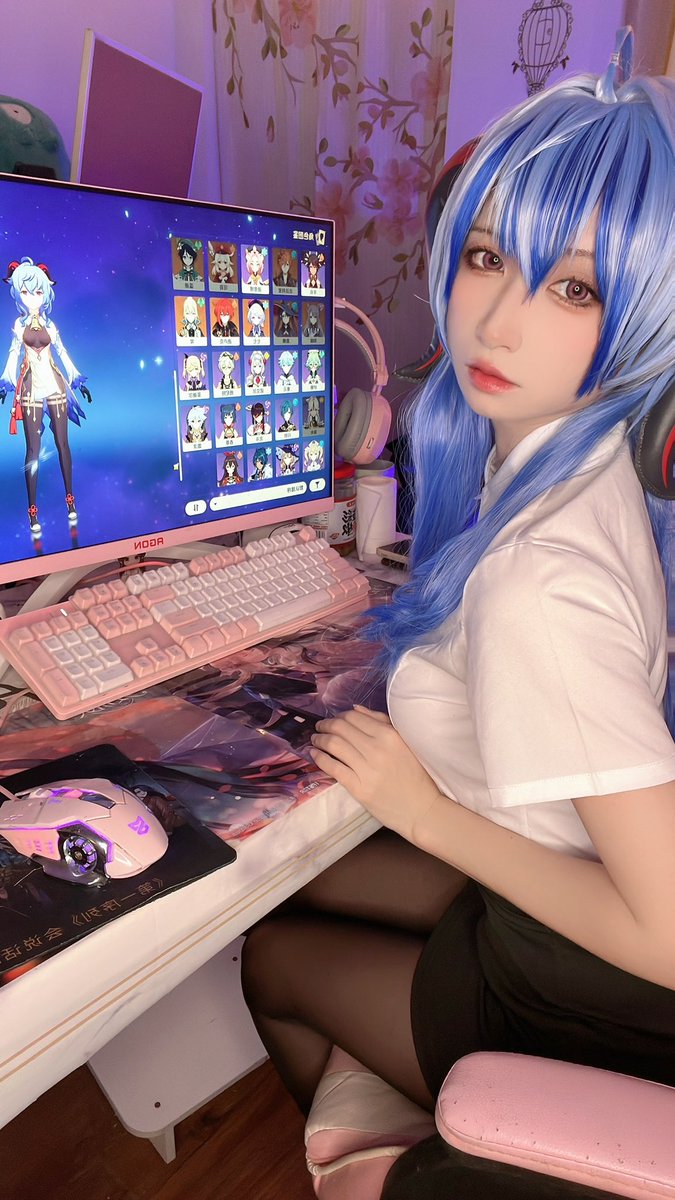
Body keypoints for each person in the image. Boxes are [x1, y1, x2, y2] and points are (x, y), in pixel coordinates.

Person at [241, 28, 675, 1154]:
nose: (496, 320)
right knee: (298, 892)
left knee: (274, 958)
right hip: (551, 896)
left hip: (583, 990)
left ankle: (438, 1158)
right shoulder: (571, 463)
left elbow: (668, 937)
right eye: (485, 257)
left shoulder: (543, 580)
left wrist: (425, 811)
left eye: (573, 286)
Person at [0, 257, 92, 538]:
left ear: (46, 293)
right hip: (31, 389)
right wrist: (5, 382)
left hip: (54, 386)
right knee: (32, 450)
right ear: (18, 293)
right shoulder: (19, 325)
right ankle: (32, 510)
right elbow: (14, 354)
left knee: (63, 443)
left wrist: (77, 379)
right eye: (26, 291)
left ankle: (70, 500)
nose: (32, 297)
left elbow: (62, 352)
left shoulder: (50, 326)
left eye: (38, 291)